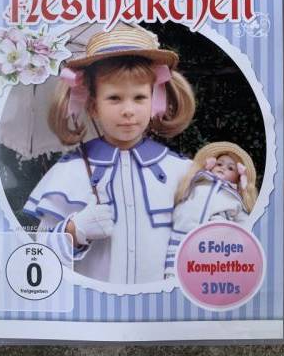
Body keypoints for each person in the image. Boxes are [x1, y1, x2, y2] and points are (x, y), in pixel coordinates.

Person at [23, 24, 196, 284]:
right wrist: (74, 230)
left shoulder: (180, 172)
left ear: (154, 100)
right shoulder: (70, 173)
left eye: (139, 97)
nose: (128, 110)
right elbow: (40, 254)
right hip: (93, 305)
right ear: (93, 106)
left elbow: (204, 236)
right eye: (114, 98)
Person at [163, 142, 258, 277]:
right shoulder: (197, 183)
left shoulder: (234, 199)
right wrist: (204, 168)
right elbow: (180, 196)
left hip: (210, 245)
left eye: (230, 168)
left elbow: (245, 224)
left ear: (238, 178)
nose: (223, 168)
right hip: (181, 233)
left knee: (203, 273)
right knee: (174, 268)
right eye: (219, 164)